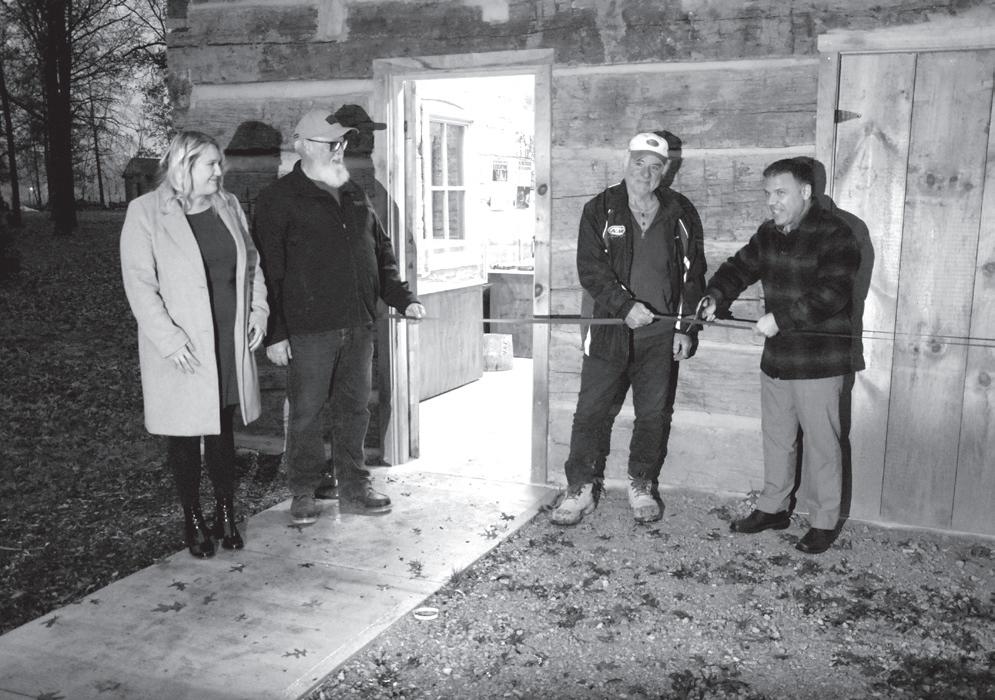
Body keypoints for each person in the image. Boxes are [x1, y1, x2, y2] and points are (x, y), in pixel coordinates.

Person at [254, 108, 425, 525]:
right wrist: (276, 333)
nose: (340, 150)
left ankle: (354, 487)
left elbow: (380, 253)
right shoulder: (279, 199)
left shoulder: (353, 193)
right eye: (333, 143)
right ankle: (303, 491)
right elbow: (268, 272)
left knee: (355, 410)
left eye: (343, 143)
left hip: (358, 324)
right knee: (307, 413)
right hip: (309, 330)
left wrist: (402, 299)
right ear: (304, 146)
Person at [699, 157, 860, 555]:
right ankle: (773, 508)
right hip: (778, 359)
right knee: (777, 439)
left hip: (818, 362)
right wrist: (715, 295)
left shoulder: (836, 234)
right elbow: (739, 268)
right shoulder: (769, 234)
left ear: (805, 192)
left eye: (781, 192)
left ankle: (824, 521)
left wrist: (781, 318)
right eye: (768, 193)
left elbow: (832, 293)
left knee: (822, 444)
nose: (772, 202)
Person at [120, 131, 269, 558]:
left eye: (220, 163)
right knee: (184, 435)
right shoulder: (145, 212)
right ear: (184, 166)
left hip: (226, 336)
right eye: (211, 164)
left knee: (222, 427)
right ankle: (193, 517)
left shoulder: (228, 205)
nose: (220, 172)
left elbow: (252, 263)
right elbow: (139, 286)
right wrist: (169, 340)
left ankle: (225, 512)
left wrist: (258, 309)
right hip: (182, 346)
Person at [551, 131, 706, 526]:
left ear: (665, 171)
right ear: (627, 162)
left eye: (655, 167)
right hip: (608, 333)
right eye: (639, 163)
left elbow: (693, 275)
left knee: (653, 414)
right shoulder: (600, 209)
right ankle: (580, 488)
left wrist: (686, 327)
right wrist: (624, 307)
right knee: (590, 412)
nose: (646, 173)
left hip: (659, 337)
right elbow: (591, 270)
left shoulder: (680, 212)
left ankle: (641, 483)